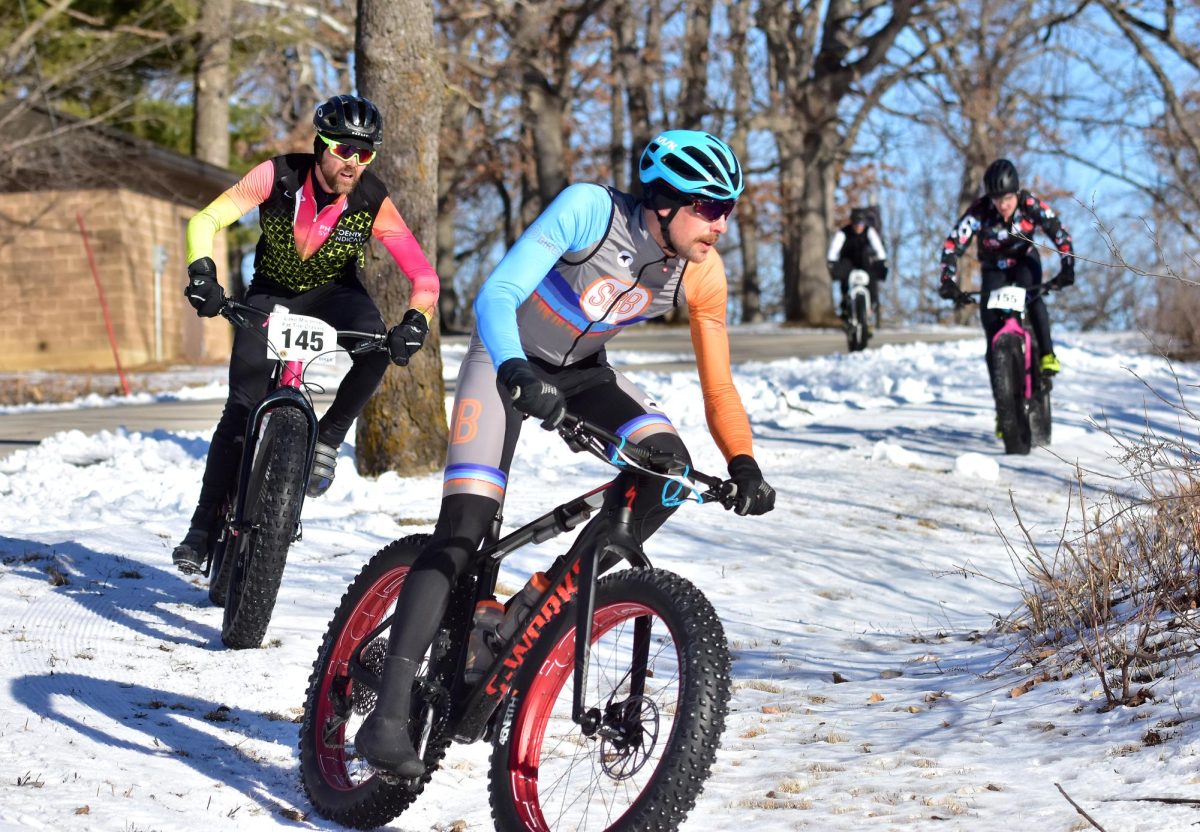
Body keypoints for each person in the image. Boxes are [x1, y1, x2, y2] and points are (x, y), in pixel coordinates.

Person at [354, 129, 777, 776]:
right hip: (504, 358)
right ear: (664, 201)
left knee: (667, 469)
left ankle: (531, 613)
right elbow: (497, 293)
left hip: (583, 371)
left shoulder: (702, 272)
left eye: (730, 209)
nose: (722, 224)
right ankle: (386, 715)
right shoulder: (590, 210)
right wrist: (518, 371)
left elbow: (718, 383)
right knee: (466, 528)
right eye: (710, 207)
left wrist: (743, 462)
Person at [172, 94, 439, 573]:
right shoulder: (276, 175)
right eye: (342, 149)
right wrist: (202, 274)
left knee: (378, 347)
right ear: (321, 145)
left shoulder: (372, 199)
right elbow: (205, 220)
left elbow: (424, 277)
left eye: (364, 154)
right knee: (241, 407)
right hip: (271, 291)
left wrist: (416, 320)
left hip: (335, 293)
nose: (352, 163)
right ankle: (200, 528)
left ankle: (328, 440)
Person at [937, 158, 1075, 377]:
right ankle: (1003, 406)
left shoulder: (1028, 204)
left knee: (1033, 297)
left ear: (1016, 193)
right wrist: (947, 280)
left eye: (1008, 198)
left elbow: (1058, 232)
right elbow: (953, 244)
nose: (1003, 205)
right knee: (990, 325)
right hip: (994, 267)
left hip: (1025, 260)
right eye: (997, 199)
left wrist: (1068, 267)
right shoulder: (980, 211)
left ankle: (1047, 354)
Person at [827, 206, 888, 322]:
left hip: (864, 262)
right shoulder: (843, 233)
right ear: (852, 223)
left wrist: (882, 260)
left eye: (860, 224)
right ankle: (845, 304)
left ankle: (872, 305)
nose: (858, 227)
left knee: (871, 278)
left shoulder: (869, 232)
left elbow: (879, 248)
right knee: (844, 277)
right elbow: (834, 249)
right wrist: (831, 261)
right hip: (848, 261)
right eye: (856, 224)